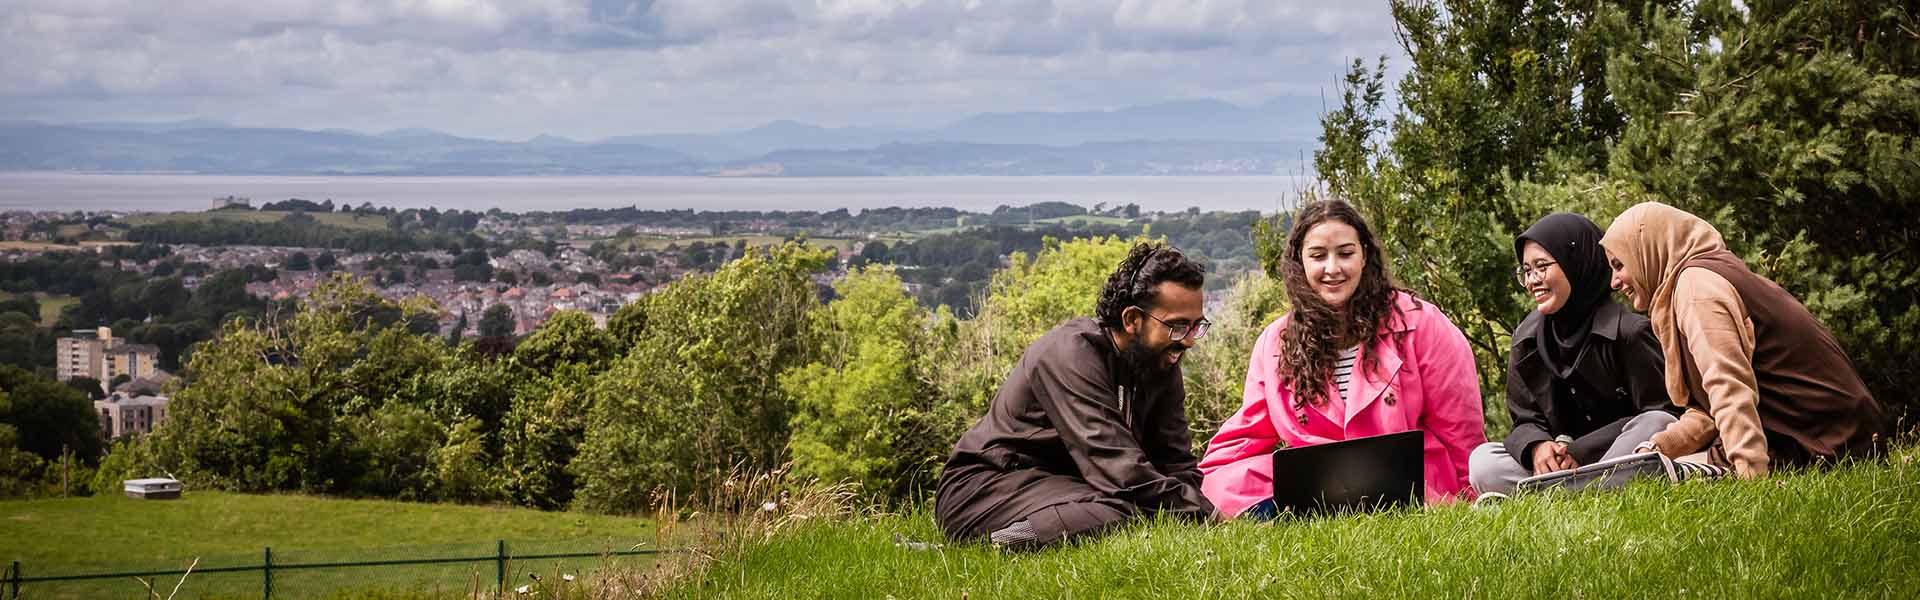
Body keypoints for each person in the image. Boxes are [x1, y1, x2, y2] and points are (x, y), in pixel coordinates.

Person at [1200, 200, 1484, 519]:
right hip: (1320, 493)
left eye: (1345, 253)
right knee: (1229, 479)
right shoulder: (1276, 343)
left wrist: (1470, 499)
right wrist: (1197, 488)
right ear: (1300, 261)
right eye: (1318, 256)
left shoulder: (1422, 323)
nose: (1333, 268)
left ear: (1365, 255)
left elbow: (1460, 429)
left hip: (1416, 488)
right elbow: (1246, 436)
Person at [934, 242, 1216, 549]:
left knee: (1145, 509)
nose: (1189, 341)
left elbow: (1175, 463)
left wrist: (1200, 515)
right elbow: (1120, 469)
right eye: (1177, 326)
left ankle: (1033, 532)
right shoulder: (1070, 354)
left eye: (1196, 326)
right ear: (1132, 319)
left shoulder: (1160, 362)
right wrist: (1208, 516)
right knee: (1127, 510)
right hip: (987, 487)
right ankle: (988, 546)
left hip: (1069, 487)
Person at [1600, 201, 1886, 478]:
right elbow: (1709, 411)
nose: (1614, 282)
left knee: (1655, 483)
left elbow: (1728, 386)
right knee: (1652, 472)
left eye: (1620, 264)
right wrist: (1659, 447)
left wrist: (1750, 477)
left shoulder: (1696, 287)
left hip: (1826, 444)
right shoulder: (1705, 274)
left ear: (1648, 250)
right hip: (1838, 436)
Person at [1467, 213, 1679, 495]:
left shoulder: (1630, 332)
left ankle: (1563, 494)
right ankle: (1587, 492)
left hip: (1615, 455)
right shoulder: (1527, 339)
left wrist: (1580, 450)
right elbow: (1525, 418)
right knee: (1483, 462)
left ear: (1577, 263)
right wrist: (1537, 446)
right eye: (1526, 271)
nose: (1532, 281)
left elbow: (1663, 410)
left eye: (1541, 267)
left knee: (1658, 423)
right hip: (1558, 467)